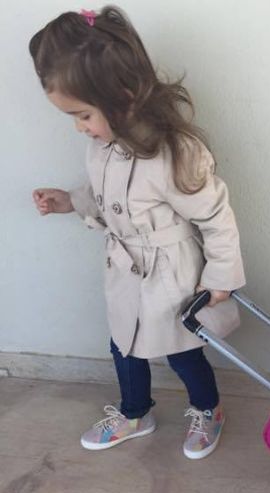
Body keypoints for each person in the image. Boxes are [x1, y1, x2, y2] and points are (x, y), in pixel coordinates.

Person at [29, 6, 246, 460]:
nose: (79, 127)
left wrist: (221, 277)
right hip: (125, 269)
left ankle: (208, 408)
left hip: (171, 274)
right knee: (123, 344)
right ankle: (135, 413)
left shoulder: (174, 153)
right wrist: (69, 200)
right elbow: (104, 195)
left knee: (181, 350)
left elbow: (215, 216)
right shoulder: (101, 146)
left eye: (83, 115)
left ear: (122, 97)